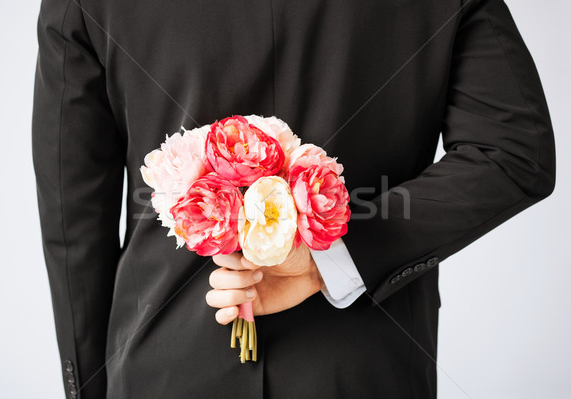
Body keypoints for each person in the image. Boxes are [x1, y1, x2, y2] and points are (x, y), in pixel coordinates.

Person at [32, 0, 555, 398]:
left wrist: (88, 386)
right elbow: (514, 150)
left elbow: (71, 218)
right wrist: (338, 259)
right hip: (370, 371)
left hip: (164, 365)